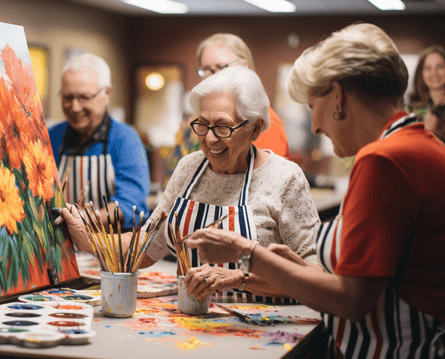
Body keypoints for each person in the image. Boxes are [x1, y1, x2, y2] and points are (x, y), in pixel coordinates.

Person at [182, 24, 445, 358]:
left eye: (310, 106)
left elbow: (351, 301)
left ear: (337, 96)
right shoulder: (423, 144)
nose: (316, 126)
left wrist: (246, 251)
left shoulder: (383, 160)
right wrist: (297, 269)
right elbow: (380, 275)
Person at [61, 65, 321, 303]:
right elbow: (146, 246)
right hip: (193, 323)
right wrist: (88, 238)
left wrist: (243, 279)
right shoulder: (190, 167)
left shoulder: (285, 178)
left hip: (262, 330)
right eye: (202, 125)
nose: (209, 139)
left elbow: (314, 277)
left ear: (255, 127)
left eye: (222, 127)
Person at [49, 53, 150, 230]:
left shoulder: (125, 140)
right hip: (61, 248)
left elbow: (129, 204)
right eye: (67, 97)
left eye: (83, 97)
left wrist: (84, 219)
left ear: (106, 94)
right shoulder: (52, 136)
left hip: (110, 247)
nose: (74, 107)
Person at [172, 33, 290, 166]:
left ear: (244, 67)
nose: (211, 76)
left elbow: (264, 177)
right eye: (205, 69)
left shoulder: (259, 121)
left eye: (221, 67)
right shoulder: (194, 120)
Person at [408, 45, 445, 121]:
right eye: (428, 68)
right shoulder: (411, 110)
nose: (434, 73)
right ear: (421, 73)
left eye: (440, 67)